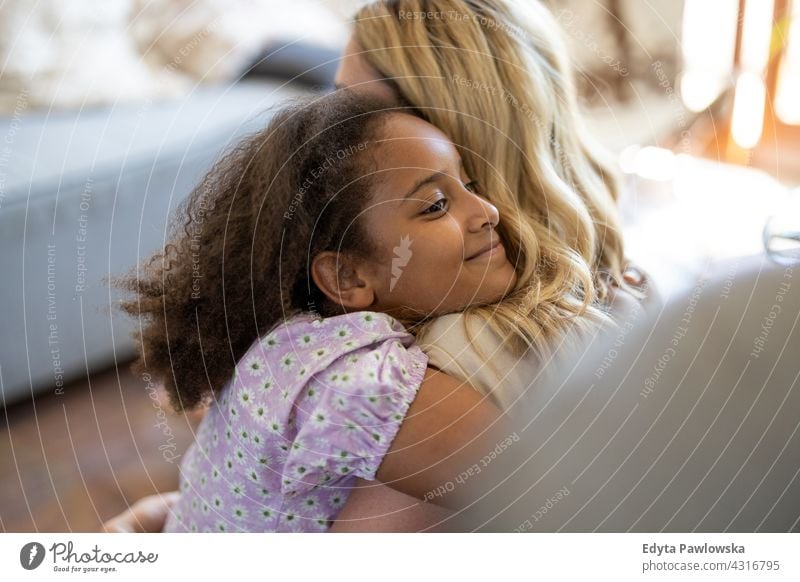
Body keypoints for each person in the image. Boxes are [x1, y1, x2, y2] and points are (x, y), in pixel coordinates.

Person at [104, 0, 649, 532]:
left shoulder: (443, 356)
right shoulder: (351, 357)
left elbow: (553, 482)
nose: (334, 129)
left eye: (362, 113)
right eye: (338, 103)